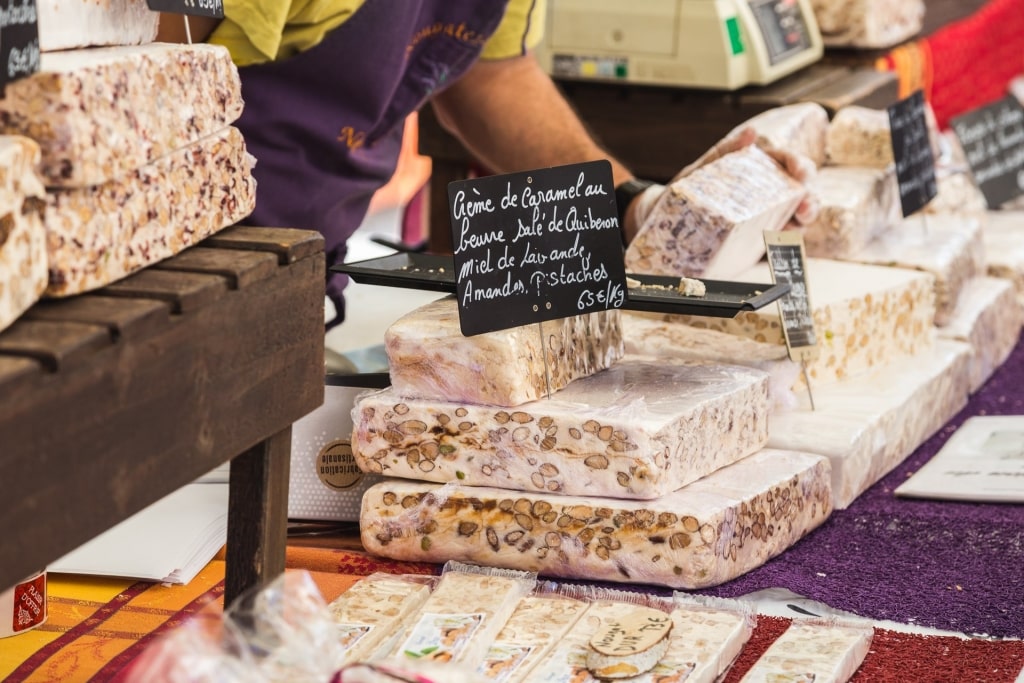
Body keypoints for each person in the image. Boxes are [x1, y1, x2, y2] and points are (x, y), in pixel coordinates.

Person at [157, 1, 810, 329]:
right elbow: (134, 77)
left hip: (294, 294)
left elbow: (491, 78)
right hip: (160, 293)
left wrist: (637, 207)